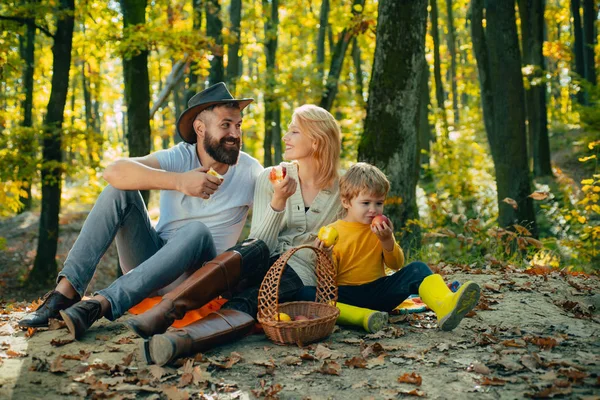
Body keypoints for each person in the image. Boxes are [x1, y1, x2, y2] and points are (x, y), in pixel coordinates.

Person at [18, 82, 264, 340]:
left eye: (238, 125)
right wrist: (179, 181)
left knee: (196, 232)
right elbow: (113, 171)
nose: (235, 134)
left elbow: (275, 213)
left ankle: (100, 304)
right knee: (118, 190)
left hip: (197, 279)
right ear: (200, 128)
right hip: (149, 262)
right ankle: (64, 294)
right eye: (225, 125)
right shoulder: (179, 157)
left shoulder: (249, 171)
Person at [127, 104, 344, 366]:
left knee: (252, 298)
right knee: (247, 251)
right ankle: (164, 310)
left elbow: (351, 241)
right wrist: (278, 201)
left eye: (294, 132)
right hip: (264, 254)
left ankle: (180, 341)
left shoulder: (344, 189)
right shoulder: (271, 177)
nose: (286, 137)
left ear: (317, 141)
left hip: (300, 271)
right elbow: (263, 241)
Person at [301, 162, 480, 332]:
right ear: (346, 202)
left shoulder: (380, 229)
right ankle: (364, 318)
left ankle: (446, 305)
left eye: (379, 203)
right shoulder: (333, 231)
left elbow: (396, 265)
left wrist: (387, 241)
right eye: (366, 203)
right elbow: (327, 282)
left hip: (380, 292)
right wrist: (324, 255)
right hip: (347, 297)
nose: (373, 210)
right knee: (305, 293)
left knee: (418, 268)